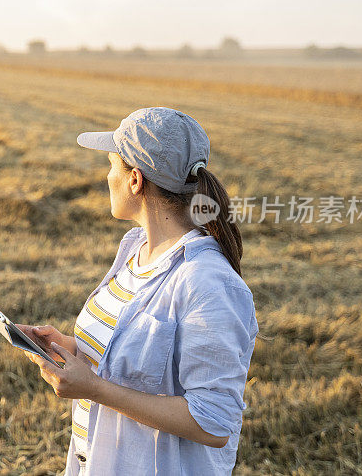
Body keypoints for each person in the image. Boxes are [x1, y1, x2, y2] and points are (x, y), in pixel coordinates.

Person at [16, 107, 258, 475]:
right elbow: (137, 357)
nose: (106, 177)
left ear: (135, 180)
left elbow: (214, 421)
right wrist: (70, 347)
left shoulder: (208, 283)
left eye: (111, 166)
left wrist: (95, 389)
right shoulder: (135, 250)